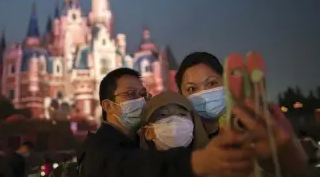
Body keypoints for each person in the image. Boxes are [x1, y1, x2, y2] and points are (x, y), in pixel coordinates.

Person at [78, 67, 256, 177]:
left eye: (143, 94)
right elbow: (130, 167)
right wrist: (196, 162)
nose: (141, 101)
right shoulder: (98, 149)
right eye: (131, 94)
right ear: (108, 106)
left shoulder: (136, 144)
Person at [175, 51, 308, 175]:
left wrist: (283, 156)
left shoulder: (260, 119)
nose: (202, 93)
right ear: (181, 95)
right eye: (192, 89)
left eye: (211, 83)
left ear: (226, 82)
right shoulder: (178, 139)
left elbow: (300, 168)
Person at [139, 90, 209, 151]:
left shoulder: (212, 163)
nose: (174, 123)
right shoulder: (137, 165)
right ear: (147, 131)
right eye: (163, 115)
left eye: (182, 114)